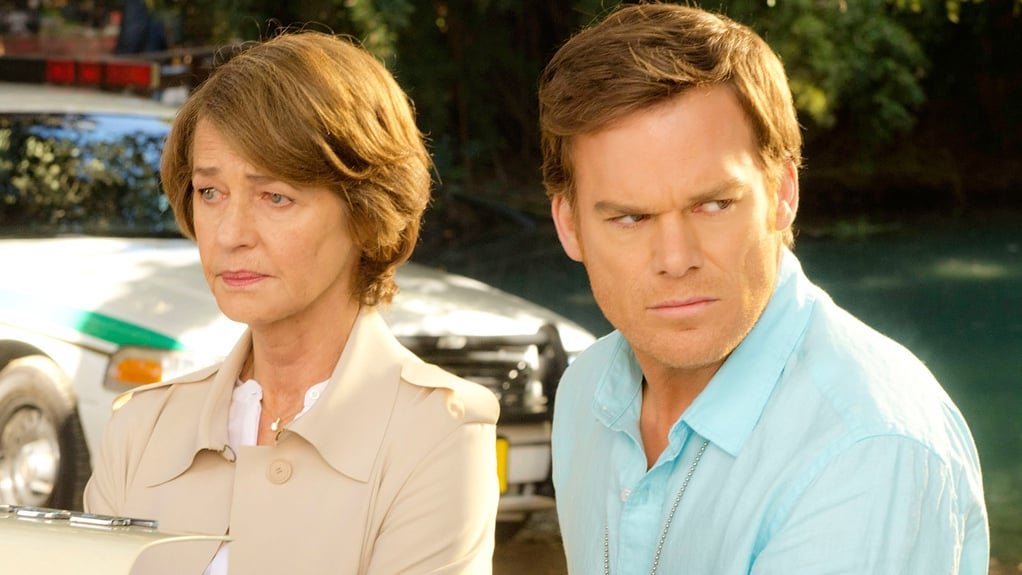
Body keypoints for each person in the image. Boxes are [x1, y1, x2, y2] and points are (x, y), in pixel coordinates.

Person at [538, 3, 988, 574]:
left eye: (713, 205)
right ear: (569, 225)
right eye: (630, 217)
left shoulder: (867, 446)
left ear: (783, 193)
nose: (675, 260)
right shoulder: (584, 392)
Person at [84, 31, 500, 575]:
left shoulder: (438, 433)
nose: (230, 233)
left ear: (366, 210)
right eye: (210, 192)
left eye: (275, 196)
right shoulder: (141, 428)